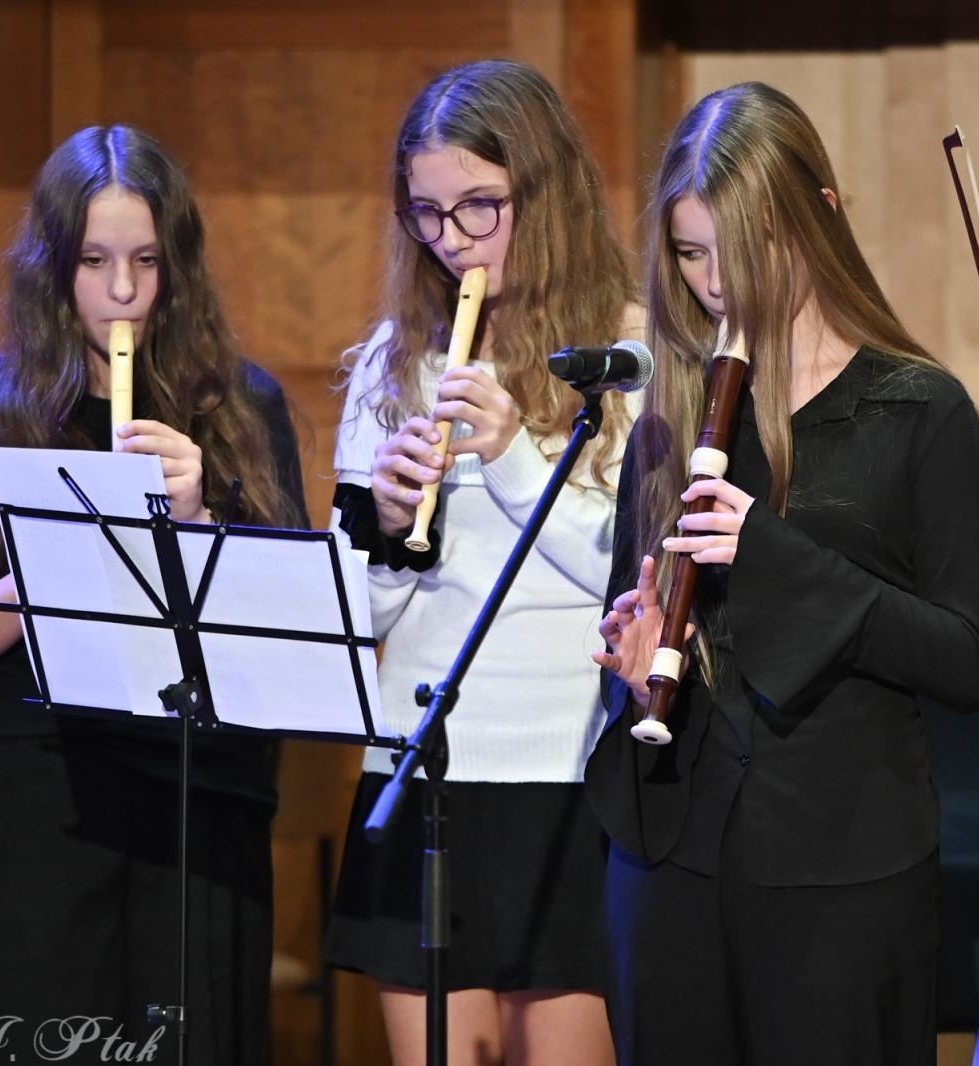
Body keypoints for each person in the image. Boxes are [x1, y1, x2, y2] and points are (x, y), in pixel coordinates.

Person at [585, 82, 979, 1066]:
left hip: (840, 868)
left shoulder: (915, 410)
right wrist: (637, 649)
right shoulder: (673, 416)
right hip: (671, 853)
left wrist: (775, 560)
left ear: (817, 217)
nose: (714, 282)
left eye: (739, 248)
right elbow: (645, 613)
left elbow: (967, 657)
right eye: (689, 254)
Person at [0, 124, 308, 1063]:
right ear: (53, 266)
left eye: (146, 262)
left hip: (201, 797)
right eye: (93, 261)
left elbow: (285, 647)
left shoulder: (240, 410)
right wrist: (50, 567)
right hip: (43, 798)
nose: (123, 292)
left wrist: (199, 516)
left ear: (179, 266)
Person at [323, 59, 637, 1066]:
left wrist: (513, 454)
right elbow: (352, 615)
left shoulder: (627, 359)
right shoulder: (388, 362)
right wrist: (381, 519)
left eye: (478, 208)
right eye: (425, 213)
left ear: (541, 195)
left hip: (567, 772)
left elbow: (622, 579)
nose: (450, 240)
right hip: (422, 766)